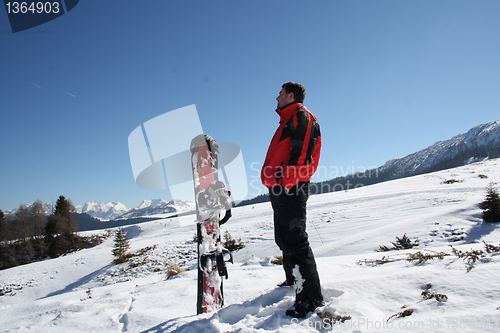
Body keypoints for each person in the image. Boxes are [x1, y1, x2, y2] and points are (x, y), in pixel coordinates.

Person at [261, 82, 324, 318]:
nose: (276, 98)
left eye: (279, 93)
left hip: (291, 187)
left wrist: (287, 182)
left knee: (295, 240)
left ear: (290, 95)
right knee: (283, 238)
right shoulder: (287, 119)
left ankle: (310, 299)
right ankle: (292, 280)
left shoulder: (301, 116)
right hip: (281, 187)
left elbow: (302, 152)